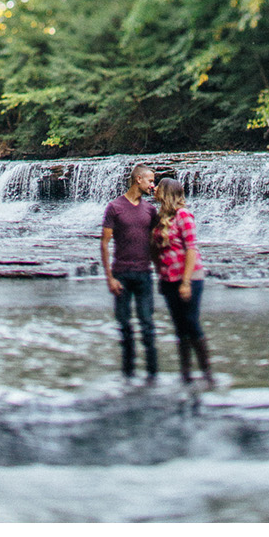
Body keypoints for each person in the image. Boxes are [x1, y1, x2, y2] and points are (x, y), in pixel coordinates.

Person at [100, 162, 160, 380]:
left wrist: (161, 271)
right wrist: (109, 278)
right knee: (125, 328)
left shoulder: (150, 210)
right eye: (151, 181)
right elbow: (105, 243)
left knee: (147, 327)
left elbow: (155, 242)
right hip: (121, 275)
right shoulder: (114, 207)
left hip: (144, 274)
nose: (153, 185)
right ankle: (128, 377)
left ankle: (153, 377)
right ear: (139, 179)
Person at [152, 176, 213, 387]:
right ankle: (186, 375)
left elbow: (191, 249)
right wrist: (161, 274)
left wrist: (185, 282)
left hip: (189, 278)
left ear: (167, 192)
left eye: (158, 186)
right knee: (179, 327)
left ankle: (207, 375)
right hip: (169, 278)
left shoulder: (184, 215)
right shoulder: (161, 217)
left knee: (191, 323)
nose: (154, 189)